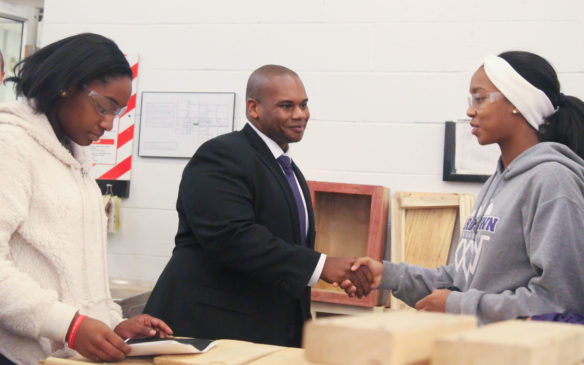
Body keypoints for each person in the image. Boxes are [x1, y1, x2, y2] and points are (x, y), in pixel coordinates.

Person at [342, 51, 584, 325]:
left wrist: (457, 306)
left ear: (518, 102)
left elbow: (558, 302)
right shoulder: (498, 181)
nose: (470, 110)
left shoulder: (552, 180)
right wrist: (387, 275)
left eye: (480, 99)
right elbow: (463, 281)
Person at [144, 64, 372, 347]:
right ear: (254, 108)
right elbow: (232, 237)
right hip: (212, 331)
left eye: (303, 105)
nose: (300, 114)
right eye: (287, 106)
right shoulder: (222, 155)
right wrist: (322, 265)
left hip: (267, 333)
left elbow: (289, 250)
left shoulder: (287, 169)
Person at [0, 33, 172, 365]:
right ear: (67, 85)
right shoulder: (11, 145)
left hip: (63, 355)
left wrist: (112, 325)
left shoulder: (74, 157)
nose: (108, 124)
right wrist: (69, 325)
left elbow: (74, 268)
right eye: (103, 107)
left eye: (116, 113)